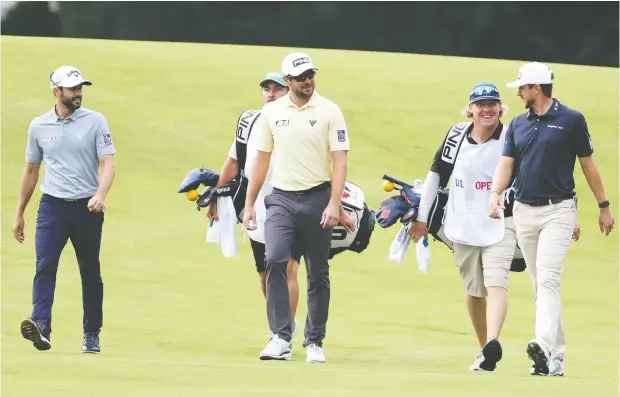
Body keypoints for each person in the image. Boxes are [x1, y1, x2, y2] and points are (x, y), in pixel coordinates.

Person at [489, 61, 614, 376]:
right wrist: (495, 193)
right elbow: (506, 164)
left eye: (522, 87)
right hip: (523, 211)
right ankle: (555, 360)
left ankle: (543, 346)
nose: (518, 93)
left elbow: (588, 165)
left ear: (536, 88)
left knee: (547, 280)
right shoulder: (517, 124)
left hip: (558, 211)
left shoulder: (571, 120)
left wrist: (604, 205)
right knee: (540, 285)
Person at [243, 51, 350, 363]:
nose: (308, 81)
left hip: (318, 198)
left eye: (310, 75)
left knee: (318, 272)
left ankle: (314, 341)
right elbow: (261, 159)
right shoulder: (272, 112)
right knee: (274, 259)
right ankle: (280, 337)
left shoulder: (330, 111)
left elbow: (340, 160)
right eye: (301, 77)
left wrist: (334, 203)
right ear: (287, 80)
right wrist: (249, 204)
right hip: (281, 199)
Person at [409, 83, 517, 372]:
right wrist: (421, 218)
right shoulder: (456, 135)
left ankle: (493, 340)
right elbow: (436, 175)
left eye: (492, 104)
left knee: (496, 282)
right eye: (480, 104)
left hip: (500, 222)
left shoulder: (510, 137)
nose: (487, 109)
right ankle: (485, 349)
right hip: (464, 224)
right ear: (471, 109)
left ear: (500, 107)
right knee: (474, 290)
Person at [12, 65, 116, 354]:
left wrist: (101, 193)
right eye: (72, 89)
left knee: (90, 272)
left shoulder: (96, 121)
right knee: (45, 266)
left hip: (87, 209)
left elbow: (108, 163)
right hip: (52, 207)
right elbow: (31, 171)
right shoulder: (39, 126)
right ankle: (41, 326)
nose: (78, 93)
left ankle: (91, 333)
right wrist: (19, 212)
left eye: (80, 88)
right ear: (56, 91)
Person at [207, 72, 304, 341]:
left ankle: (282, 333)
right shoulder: (250, 123)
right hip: (257, 207)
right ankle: (284, 323)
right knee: (264, 273)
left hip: (292, 203)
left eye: (277, 89)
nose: (270, 94)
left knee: (288, 268)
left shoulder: (301, 123)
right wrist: (216, 194)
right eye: (266, 89)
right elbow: (233, 162)